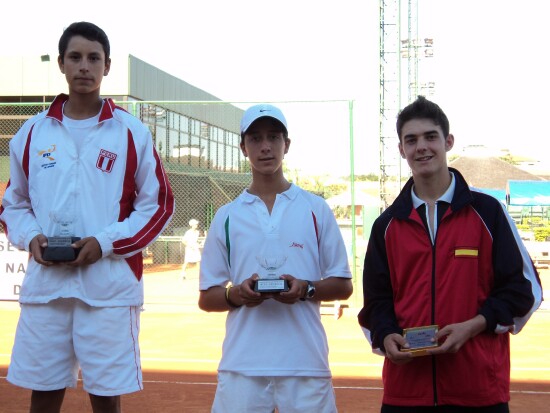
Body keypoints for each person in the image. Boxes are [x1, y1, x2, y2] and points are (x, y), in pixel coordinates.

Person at [0, 22, 174, 413]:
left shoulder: (131, 132)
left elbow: (158, 204)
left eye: (93, 58)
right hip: (47, 287)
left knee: (105, 396)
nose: (84, 66)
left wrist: (106, 243)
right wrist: (32, 238)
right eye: (75, 57)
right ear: (61, 63)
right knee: (42, 394)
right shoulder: (31, 133)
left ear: (107, 66)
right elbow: (13, 204)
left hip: (108, 289)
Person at [358, 96, 543, 413]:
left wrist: (475, 325)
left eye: (430, 136)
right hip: (406, 393)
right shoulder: (386, 225)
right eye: (411, 140)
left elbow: (525, 291)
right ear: (402, 149)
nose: (422, 147)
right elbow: (377, 302)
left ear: (448, 141)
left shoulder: (488, 212)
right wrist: (387, 335)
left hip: (478, 391)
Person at [198, 103, 353, 413]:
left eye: (273, 137)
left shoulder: (315, 208)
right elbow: (207, 297)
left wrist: (306, 288)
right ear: (243, 147)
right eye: (255, 138)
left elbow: (343, 285)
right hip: (242, 365)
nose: (265, 146)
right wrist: (237, 294)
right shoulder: (227, 216)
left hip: (305, 363)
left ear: (287, 144)